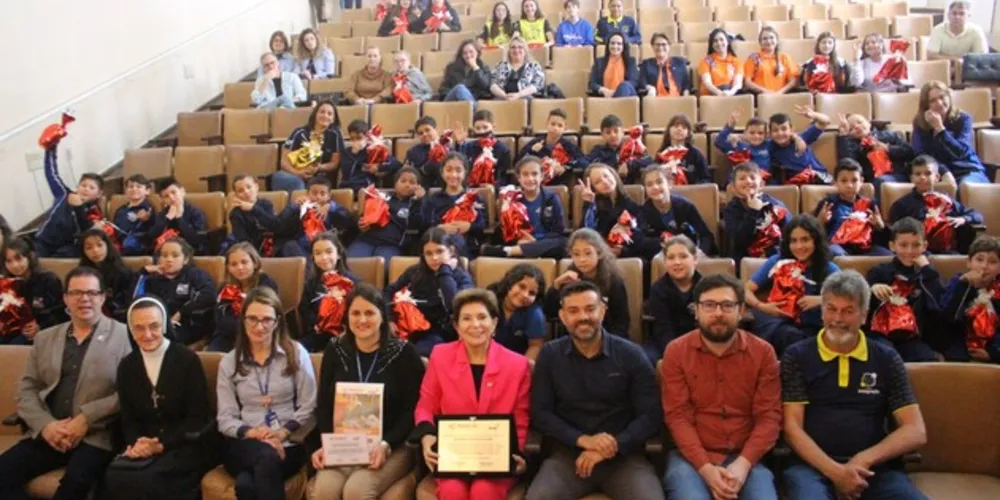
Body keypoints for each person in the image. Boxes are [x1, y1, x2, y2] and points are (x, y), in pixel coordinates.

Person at [781, 270, 928, 500]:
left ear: (863, 315)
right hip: (811, 468)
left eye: (848, 311)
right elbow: (792, 430)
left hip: (876, 469)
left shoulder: (886, 358)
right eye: (831, 309)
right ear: (822, 311)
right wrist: (836, 472)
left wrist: (862, 460)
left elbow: (915, 431)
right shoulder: (796, 356)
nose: (838, 319)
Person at [0, 266, 131, 499]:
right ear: (65, 299)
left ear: (102, 297)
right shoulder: (45, 338)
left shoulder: (125, 336)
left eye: (91, 293)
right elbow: (27, 389)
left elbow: (130, 391)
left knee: (73, 486)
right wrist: (46, 425)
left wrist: (86, 418)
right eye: (76, 293)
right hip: (51, 432)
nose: (84, 299)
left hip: (96, 435)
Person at [527, 280, 662, 500]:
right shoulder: (550, 355)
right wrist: (583, 440)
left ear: (603, 310)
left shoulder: (631, 354)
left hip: (623, 455)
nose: (583, 317)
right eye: (573, 310)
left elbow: (651, 414)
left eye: (590, 309)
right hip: (569, 455)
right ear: (562, 316)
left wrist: (614, 445)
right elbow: (540, 413)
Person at [662, 273, 782, 499]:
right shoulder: (676, 352)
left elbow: (769, 417)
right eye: (709, 305)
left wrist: (743, 465)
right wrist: (706, 469)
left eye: (727, 305)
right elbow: (678, 417)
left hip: (746, 457)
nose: (718, 313)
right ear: (696, 311)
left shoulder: (763, 353)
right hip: (690, 459)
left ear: (742, 311)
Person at [412, 289, 531, 499]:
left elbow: (520, 417)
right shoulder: (440, 356)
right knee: (452, 490)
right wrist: (427, 435)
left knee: (483, 490)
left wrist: (516, 455)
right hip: (454, 455)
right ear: (457, 327)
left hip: (496, 457)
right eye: (466, 318)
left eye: (482, 317)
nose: (475, 325)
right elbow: (426, 405)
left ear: (494, 323)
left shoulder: (517, 365)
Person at [310, 284, 425, 499]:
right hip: (343, 445)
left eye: (369, 313)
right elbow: (324, 404)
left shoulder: (404, 354)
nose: (362, 320)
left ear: (382, 316)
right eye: (355, 313)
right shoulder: (335, 350)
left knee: (357, 490)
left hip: (391, 444)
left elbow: (413, 410)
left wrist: (386, 444)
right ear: (347, 317)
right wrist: (326, 444)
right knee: (325, 491)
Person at [103, 296, 216, 500]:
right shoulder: (127, 366)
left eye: (154, 326)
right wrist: (138, 444)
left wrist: (161, 444)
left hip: (185, 446)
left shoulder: (187, 360)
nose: (147, 335)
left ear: (164, 325)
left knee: (148, 480)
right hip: (144, 449)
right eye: (139, 328)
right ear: (131, 330)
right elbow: (128, 418)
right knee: (114, 476)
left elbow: (198, 417)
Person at [216, 287, 317, 500]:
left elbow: (309, 404)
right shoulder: (229, 362)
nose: (259, 326)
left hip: (287, 444)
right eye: (252, 319)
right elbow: (225, 418)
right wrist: (253, 433)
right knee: (265, 455)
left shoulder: (296, 353)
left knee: (246, 486)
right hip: (244, 445)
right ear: (243, 321)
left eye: (266, 320)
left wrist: (282, 432)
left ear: (278, 321)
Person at [745, 215, 839, 356]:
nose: (799, 246)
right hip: (778, 323)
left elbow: (849, 296)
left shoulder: (828, 268)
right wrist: (762, 306)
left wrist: (822, 299)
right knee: (787, 334)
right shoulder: (777, 261)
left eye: (805, 240)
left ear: (816, 241)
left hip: (812, 326)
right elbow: (745, 289)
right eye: (793, 241)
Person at [866, 218, 945, 362]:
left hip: (913, 337)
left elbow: (938, 305)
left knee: (926, 359)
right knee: (884, 357)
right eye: (903, 245)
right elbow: (862, 303)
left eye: (916, 245)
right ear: (892, 246)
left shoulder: (928, 275)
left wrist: (926, 271)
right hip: (882, 334)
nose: (909, 251)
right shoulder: (879, 272)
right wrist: (873, 289)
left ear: (925, 246)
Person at [384, 228, 474, 356]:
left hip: (446, 332)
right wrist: (389, 319)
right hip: (414, 329)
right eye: (428, 253)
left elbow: (454, 305)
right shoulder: (415, 272)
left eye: (439, 251)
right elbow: (388, 291)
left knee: (423, 353)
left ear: (451, 251)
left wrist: (445, 271)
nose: (434, 258)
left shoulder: (461, 276)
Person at [886, 155, 982, 254]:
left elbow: (977, 215)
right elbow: (894, 232)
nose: (922, 177)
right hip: (917, 251)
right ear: (912, 178)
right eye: (918, 174)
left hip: (947, 249)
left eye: (928, 173)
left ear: (937, 177)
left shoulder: (946, 200)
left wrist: (963, 219)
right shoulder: (902, 204)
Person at [544, 228, 630, 338]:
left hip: (607, 338)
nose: (582, 259)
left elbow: (621, 323)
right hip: (574, 339)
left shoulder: (614, 281)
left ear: (599, 254)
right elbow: (550, 313)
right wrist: (556, 285)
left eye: (587, 253)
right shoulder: (569, 278)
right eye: (576, 254)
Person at [133, 237, 217, 346]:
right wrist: (143, 272)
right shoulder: (152, 280)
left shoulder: (195, 275)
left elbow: (209, 296)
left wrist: (182, 312)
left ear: (185, 259)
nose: (169, 259)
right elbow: (135, 301)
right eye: (164, 255)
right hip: (156, 324)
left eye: (175, 255)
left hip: (187, 325)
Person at [480, 156, 567, 258]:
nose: (530, 178)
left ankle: (508, 251)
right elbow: (508, 231)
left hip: (544, 243)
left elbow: (558, 231)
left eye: (534, 174)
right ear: (518, 178)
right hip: (520, 242)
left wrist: (535, 241)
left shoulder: (552, 199)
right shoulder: (512, 199)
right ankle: (518, 250)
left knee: (562, 243)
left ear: (542, 176)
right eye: (525, 174)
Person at [912, 80, 989, 186]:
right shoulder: (920, 123)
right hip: (938, 172)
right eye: (932, 100)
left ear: (949, 97)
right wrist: (944, 171)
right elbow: (920, 154)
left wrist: (940, 129)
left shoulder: (963, 119)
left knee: (965, 185)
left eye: (942, 97)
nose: (939, 103)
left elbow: (961, 152)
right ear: (926, 106)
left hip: (967, 170)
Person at [208, 243, 279, 353]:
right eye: (234, 264)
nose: (239, 267)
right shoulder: (225, 287)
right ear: (228, 267)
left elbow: (266, 314)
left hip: (258, 332)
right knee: (215, 354)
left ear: (255, 263)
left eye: (244, 262)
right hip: (228, 334)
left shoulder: (266, 283)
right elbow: (219, 317)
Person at [812, 159, 891, 257]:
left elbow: (882, 238)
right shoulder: (827, 204)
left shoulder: (869, 204)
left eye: (854, 180)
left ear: (861, 181)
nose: (849, 185)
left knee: (887, 255)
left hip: (865, 246)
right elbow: (814, 235)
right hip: (839, 246)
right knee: (834, 252)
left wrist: (880, 226)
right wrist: (820, 222)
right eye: (844, 181)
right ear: (835, 182)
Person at [299, 231, 362, 352]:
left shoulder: (353, 282)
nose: (324, 257)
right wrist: (316, 324)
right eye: (318, 253)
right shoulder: (311, 284)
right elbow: (305, 309)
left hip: (348, 335)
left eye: (329, 252)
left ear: (338, 254)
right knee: (295, 350)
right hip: (318, 334)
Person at [941, 236, 1000, 362]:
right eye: (979, 260)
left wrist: (992, 354)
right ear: (969, 262)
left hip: (993, 345)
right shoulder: (958, 282)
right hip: (960, 343)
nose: (984, 266)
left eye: (992, 262)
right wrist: (964, 286)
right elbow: (948, 318)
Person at [643, 235, 701, 362]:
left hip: (699, 341)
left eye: (683, 256)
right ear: (665, 262)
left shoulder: (707, 287)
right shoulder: (658, 289)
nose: (677, 262)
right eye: (671, 258)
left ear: (695, 259)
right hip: (664, 341)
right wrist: (677, 353)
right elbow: (662, 329)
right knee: (645, 358)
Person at [347, 167, 426, 260]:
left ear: (418, 187)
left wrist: (419, 201)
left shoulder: (415, 204)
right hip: (367, 240)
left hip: (391, 244)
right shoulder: (381, 197)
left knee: (385, 267)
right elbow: (365, 214)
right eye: (403, 181)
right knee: (351, 262)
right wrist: (361, 222)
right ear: (395, 184)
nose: (407, 185)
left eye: (412, 182)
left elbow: (417, 224)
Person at [420, 152, 487, 258]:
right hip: (438, 245)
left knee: (457, 240)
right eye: (449, 170)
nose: (453, 175)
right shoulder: (433, 199)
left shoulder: (474, 197)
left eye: (458, 170)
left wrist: (469, 227)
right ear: (442, 172)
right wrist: (439, 228)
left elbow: (482, 227)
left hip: (467, 247)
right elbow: (424, 227)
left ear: (465, 173)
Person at [638, 167, 714, 260]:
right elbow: (641, 241)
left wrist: (700, 252)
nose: (655, 187)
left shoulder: (686, 206)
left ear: (670, 184)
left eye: (659, 182)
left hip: (689, 254)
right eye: (649, 185)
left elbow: (706, 235)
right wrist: (661, 241)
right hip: (661, 257)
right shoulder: (643, 211)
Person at [1, 238, 66, 344]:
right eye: (9, 261)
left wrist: (40, 326)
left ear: (29, 257)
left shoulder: (48, 280)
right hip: (14, 331)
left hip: (46, 332)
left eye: (19, 259)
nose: (15, 265)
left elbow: (62, 313)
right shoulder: (7, 284)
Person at [723, 162, 791, 262]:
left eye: (753, 178)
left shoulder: (776, 205)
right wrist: (753, 210)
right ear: (733, 187)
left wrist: (771, 253)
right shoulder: (731, 209)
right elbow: (739, 242)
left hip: (774, 257)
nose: (748, 181)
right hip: (745, 259)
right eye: (742, 178)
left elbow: (790, 233)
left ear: (762, 184)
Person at [276, 176, 355, 258]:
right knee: (289, 246)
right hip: (303, 248)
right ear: (307, 194)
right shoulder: (298, 208)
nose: (318, 197)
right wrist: (293, 206)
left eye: (322, 193)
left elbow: (350, 221)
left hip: (326, 248)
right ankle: (311, 268)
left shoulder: (333, 210)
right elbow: (279, 224)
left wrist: (332, 207)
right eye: (314, 193)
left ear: (329, 196)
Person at [274, 101, 344, 193]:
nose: (325, 115)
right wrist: (298, 173)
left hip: (320, 178)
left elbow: (334, 163)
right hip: (293, 174)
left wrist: (319, 167)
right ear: (315, 114)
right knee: (296, 182)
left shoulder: (335, 135)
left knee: (313, 186)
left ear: (333, 119)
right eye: (322, 112)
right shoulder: (299, 132)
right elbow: (284, 162)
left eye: (329, 114)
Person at [579, 162, 645, 258]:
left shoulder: (630, 203)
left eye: (606, 176)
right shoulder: (594, 208)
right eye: (598, 182)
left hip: (628, 253)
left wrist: (623, 250)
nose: (605, 182)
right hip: (599, 254)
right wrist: (588, 203)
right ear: (594, 189)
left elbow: (640, 233)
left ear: (614, 175)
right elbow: (586, 233)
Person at [34, 172, 105, 258]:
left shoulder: (94, 210)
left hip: (66, 247)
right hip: (44, 242)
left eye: (91, 188)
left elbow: (88, 229)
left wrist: (79, 207)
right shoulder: (64, 194)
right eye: (83, 185)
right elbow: (52, 176)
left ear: (99, 194)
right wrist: (50, 157)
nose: (86, 189)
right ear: (77, 187)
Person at [486, 263, 547, 359]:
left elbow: (535, 345)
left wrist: (523, 368)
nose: (525, 295)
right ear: (510, 283)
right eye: (522, 287)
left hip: (517, 362)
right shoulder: (488, 302)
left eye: (532, 293)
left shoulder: (535, 313)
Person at [835, 113, 914, 186]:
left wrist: (888, 148)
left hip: (897, 175)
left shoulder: (889, 135)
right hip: (872, 180)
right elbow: (847, 164)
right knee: (879, 181)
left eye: (859, 122)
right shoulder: (853, 147)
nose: (857, 127)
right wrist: (843, 135)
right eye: (851, 128)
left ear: (869, 124)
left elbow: (910, 152)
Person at [78, 228, 135, 323]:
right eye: (89, 248)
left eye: (99, 245)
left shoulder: (123, 273)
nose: (95, 250)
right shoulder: (81, 275)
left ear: (107, 246)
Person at [516, 108, 585, 186]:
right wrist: (532, 151)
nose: (555, 128)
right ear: (547, 124)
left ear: (565, 128)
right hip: (536, 184)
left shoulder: (569, 146)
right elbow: (519, 161)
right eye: (553, 124)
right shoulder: (535, 143)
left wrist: (566, 167)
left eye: (560, 125)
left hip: (560, 183)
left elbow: (583, 161)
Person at [770, 107, 832, 185]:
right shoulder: (770, 146)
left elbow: (825, 121)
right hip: (797, 181)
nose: (780, 133)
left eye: (784, 129)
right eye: (775, 130)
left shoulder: (802, 137)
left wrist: (814, 115)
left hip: (818, 175)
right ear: (770, 134)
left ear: (792, 130)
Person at [453, 109, 514, 188]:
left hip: (494, 190)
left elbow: (505, 177)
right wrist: (459, 143)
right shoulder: (468, 147)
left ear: (493, 127)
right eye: (478, 128)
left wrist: (494, 186)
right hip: (470, 188)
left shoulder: (503, 150)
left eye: (485, 127)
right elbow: (459, 165)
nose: (482, 131)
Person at [584, 115, 652, 184]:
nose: (612, 135)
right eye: (608, 132)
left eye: (616, 131)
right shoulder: (598, 150)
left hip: (628, 186)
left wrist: (629, 165)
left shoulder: (632, 147)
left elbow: (649, 160)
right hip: (606, 186)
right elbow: (586, 163)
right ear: (602, 135)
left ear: (622, 132)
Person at [148, 177, 208, 254]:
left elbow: (195, 240)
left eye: (173, 192)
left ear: (182, 191)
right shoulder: (163, 214)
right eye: (166, 196)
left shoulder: (196, 213)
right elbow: (151, 237)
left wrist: (179, 218)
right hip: (165, 251)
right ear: (163, 200)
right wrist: (168, 218)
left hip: (189, 251)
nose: (172, 198)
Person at [339, 119, 403, 191]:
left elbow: (396, 164)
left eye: (359, 138)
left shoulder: (373, 151)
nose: (355, 141)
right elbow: (346, 171)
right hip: (346, 187)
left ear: (367, 137)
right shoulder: (345, 153)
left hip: (365, 187)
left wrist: (378, 167)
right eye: (352, 138)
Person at [226, 174, 280, 255]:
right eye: (241, 191)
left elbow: (274, 224)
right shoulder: (235, 214)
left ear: (256, 187)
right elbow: (242, 240)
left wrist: (253, 209)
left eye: (249, 187)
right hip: (251, 250)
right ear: (236, 195)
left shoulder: (266, 204)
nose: (246, 192)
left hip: (272, 244)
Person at [653, 114, 712, 186]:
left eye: (684, 127)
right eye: (676, 126)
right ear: (669, 130)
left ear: (688, 133)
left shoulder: (696, 154)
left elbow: (706, 179)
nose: (679, 129)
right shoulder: (661, 154)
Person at [715, 113, 774, 183]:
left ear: (766, 135)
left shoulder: (769, 145)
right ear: (745, 133)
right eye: (752, 133)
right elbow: (719, 141)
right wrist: (729, 127)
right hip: (743, 182)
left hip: (764, 181)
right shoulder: (738, 145)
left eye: (760, 133)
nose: (756, 136)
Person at [926, 1, 988, 66]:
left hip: (967, 68)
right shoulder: (938, 30)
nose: (957, 17)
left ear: (968, 16)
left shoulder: (977, 31)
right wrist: (956, 59)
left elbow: (982, 57)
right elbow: (931, 56)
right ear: (948, 15)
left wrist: (959, 65)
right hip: (942, 67)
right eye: (954, 13)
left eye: (962, 14)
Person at [744, 26, 799, 95]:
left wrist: (780, 92)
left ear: (777, 40)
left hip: (782, 96)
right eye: (765, 39)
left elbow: (793, 81)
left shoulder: (785, 57)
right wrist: (766, 92)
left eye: (771, 37)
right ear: (760, 43)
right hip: (761, 97)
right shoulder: (753, 58)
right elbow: (747, 82)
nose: (768, 41)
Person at [490, 36, 545, 100]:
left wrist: (519, 95)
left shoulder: (534, 66)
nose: (516, 50)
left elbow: (537, 85)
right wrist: (504, 96)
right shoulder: (501, 65)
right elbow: (492, 85)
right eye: (513, 47)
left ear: (525, 51)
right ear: (509, 51)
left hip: (527, 99)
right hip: (503, 99)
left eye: (520, 47)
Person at [114, 174, 156, 255]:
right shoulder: (120, 210)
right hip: (120, 242)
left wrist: (147, 220)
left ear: (147, 191)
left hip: (139, 243)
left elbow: (153, 230)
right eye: (131, 186)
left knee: (130, 243)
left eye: (138, 186)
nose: (134, 189)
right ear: (126, 191)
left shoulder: (148, 208)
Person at [589, 32, 639, 98]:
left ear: (624, 46)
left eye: (619, 44)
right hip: (606, 97)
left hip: (626, 98)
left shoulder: (630, 61)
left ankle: (616, 102)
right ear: (608, 45)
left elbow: (634, 82)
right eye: (612, 43)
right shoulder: (599, 62)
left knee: (624, 86)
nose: (615, 46)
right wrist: (603, 90)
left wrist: (618, 91)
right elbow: (592, 84)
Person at [405, 116, 447, 189]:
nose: (424, 134)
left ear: (436, 130)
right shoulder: (412, 152)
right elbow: (409, 175)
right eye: (420, 133)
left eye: (427, 130)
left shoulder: (447, 147)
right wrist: (424, 169)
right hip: (424, 190)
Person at [698, 28, 743, 96]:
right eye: (715, 41)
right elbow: (707, 82)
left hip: (731, 93)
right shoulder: (705, 61)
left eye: (721, 39)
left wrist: (730, 93)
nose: (719, 43)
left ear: (727, 42)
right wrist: (720, 93)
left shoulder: (736, 61)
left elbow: (738, 84)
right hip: (712, 94)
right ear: (712, 44)